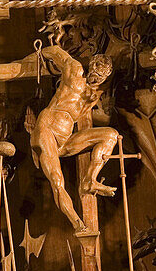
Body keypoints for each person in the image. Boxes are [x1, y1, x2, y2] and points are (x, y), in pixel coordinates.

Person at [28, 42, 117, 231]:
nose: (96, 78)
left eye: (101, 76)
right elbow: (54, 52)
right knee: (57, 180)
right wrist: (35, 56)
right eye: (95, 72)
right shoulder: (74, 70)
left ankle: (90, 180)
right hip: (47, 131)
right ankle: (77, 223)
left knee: (111, 135)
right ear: (91, 65)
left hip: (66, 141)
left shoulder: (94, 94)